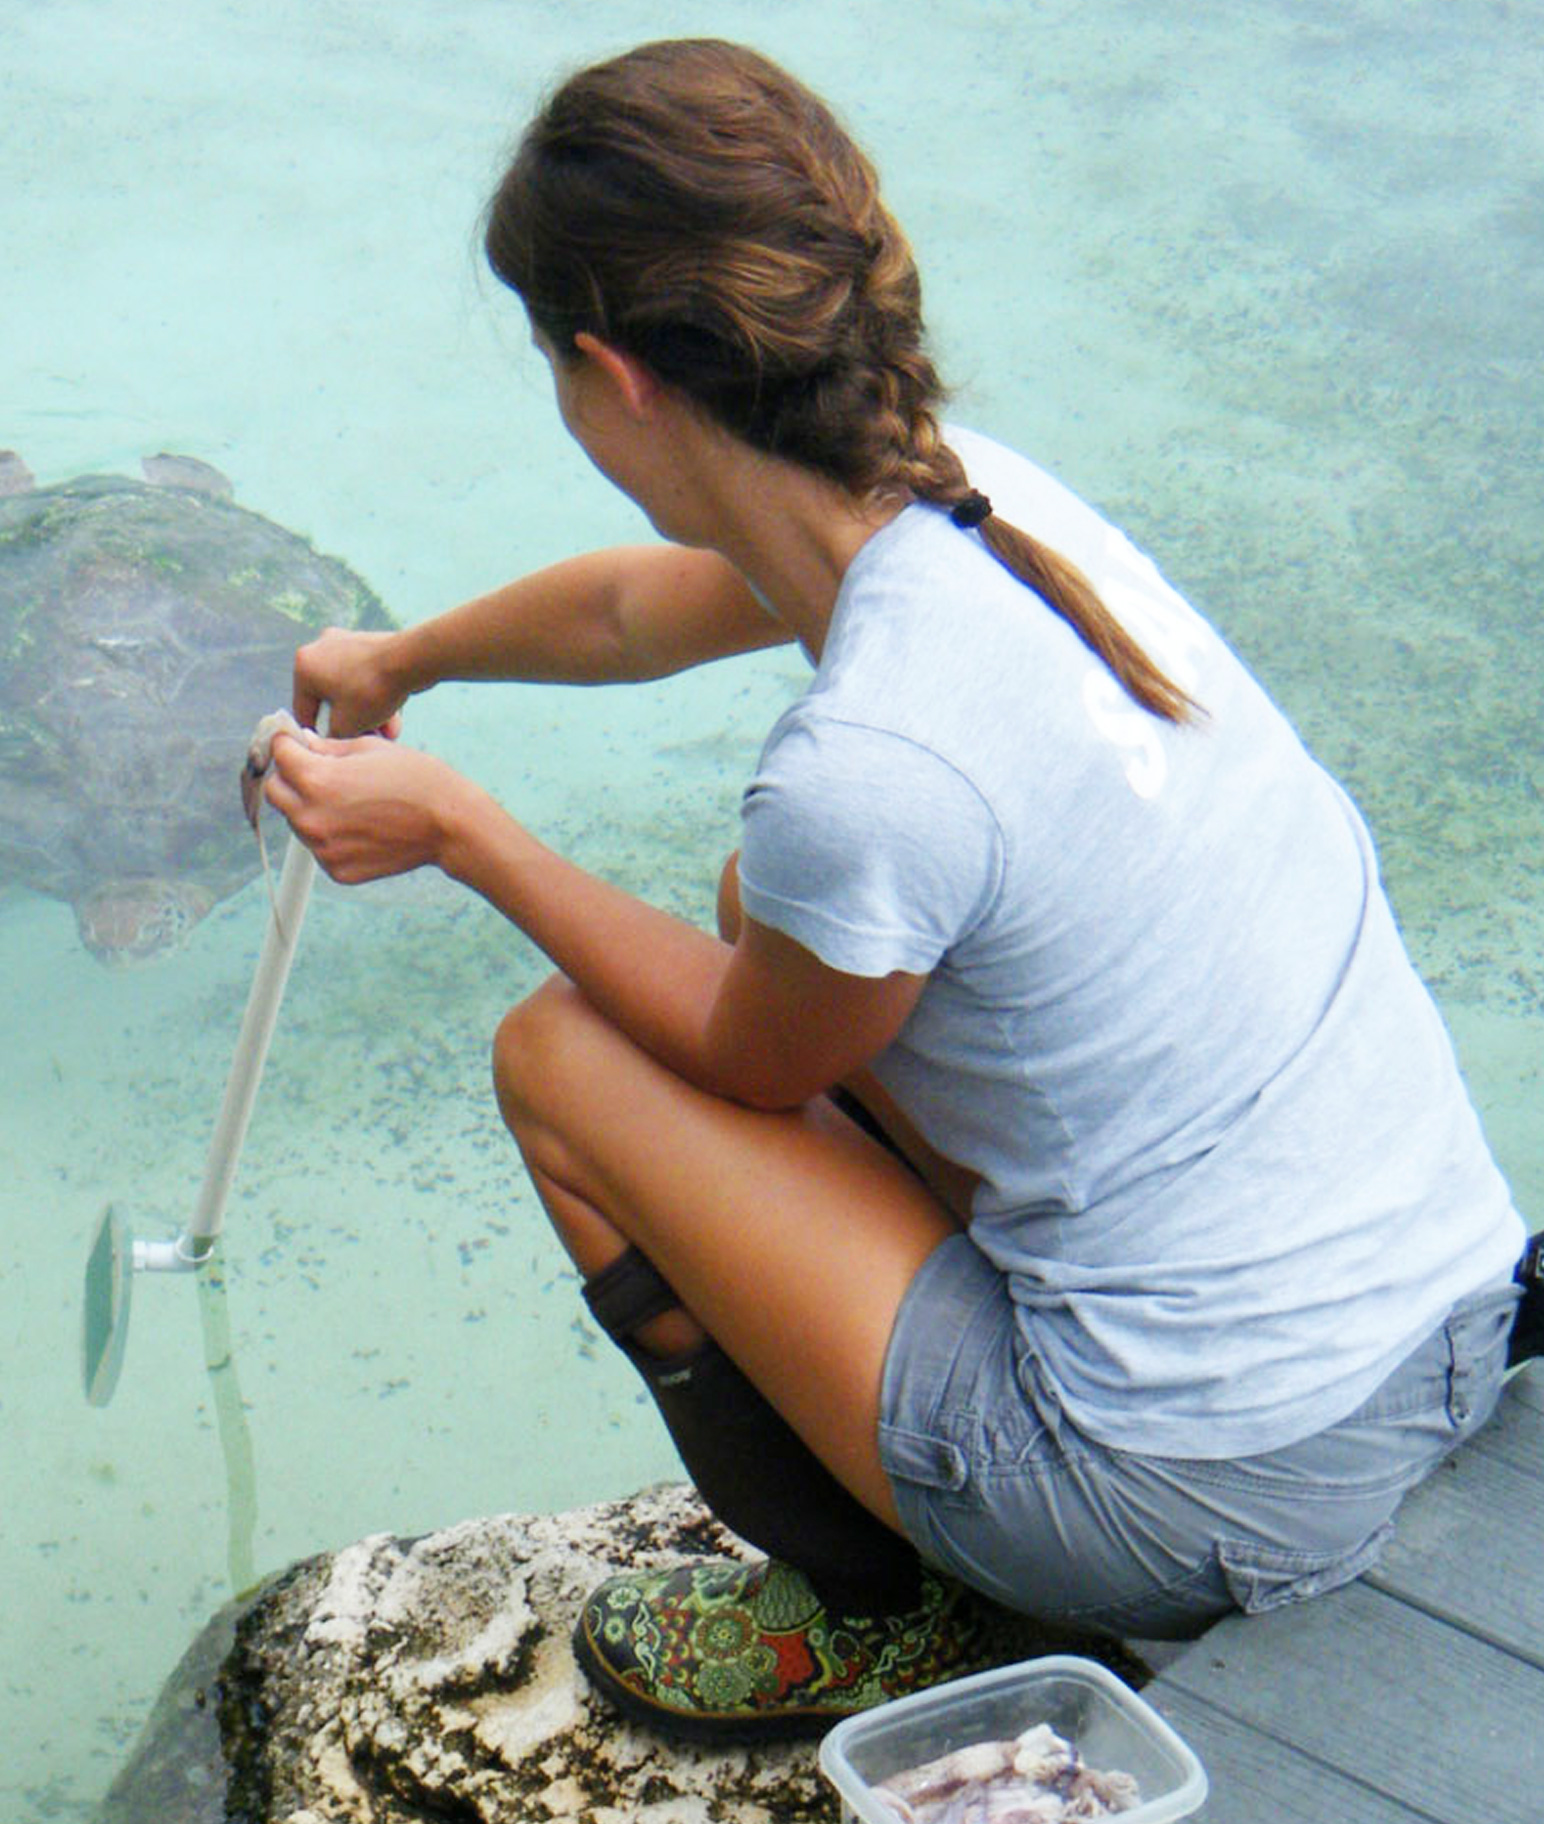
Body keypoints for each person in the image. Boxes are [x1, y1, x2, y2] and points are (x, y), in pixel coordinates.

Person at [258, 37, 1535, 1743]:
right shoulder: (989, 510)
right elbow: (645, 611)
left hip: (1199, 1486)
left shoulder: (871, 772)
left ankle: (871, 1609)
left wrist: (466, 834)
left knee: (566, 1060)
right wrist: (409, 654)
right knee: (752, 901)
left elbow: (751, 1059)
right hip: (1439, 1327)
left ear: (605, 372)